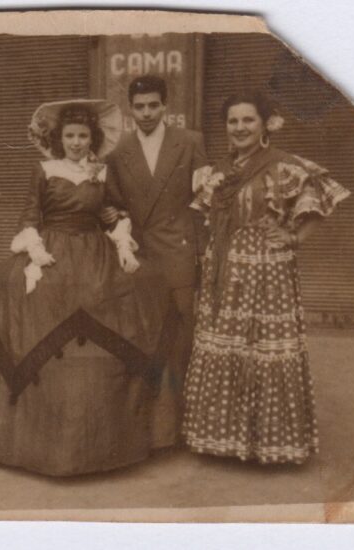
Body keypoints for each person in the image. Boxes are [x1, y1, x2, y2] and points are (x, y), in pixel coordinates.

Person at [0, 100, 171, 476]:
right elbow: (30, 214)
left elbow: (114, 211)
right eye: (70, 136)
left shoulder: (102, 171)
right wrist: (35, 249)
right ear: (59, 139)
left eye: (83, 136)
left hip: (95, 250)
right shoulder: (43, 169)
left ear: (92, 138)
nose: (77, 142)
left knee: (139, 290)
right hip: (53, 247)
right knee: (13, 292)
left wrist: (117, 222)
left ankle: (110, 435)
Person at [182, 91, 350, 464]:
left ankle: (270, 444)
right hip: (224, 271)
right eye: (233, 121)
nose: (240, 128)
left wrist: (293, 237)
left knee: (264, 348)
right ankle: (222, 441)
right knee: (228, 345)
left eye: (248, 120)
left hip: (266, 270)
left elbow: (320, 196)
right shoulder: (219, 173)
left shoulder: (281, 166)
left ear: (264, 124)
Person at [105, 75, 208, 450]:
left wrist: (202, 254)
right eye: (139, 106)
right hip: (139, 256)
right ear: (130, 110)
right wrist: (121, 231)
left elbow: (202, 203)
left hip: (179, 254)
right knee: (142, 338)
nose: (146, 113)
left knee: (181, 339)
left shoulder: (191, 141)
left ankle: (181, 429)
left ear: (166, 106)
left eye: (153, 105)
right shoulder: (118, 152)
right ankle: (144, 431)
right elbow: (112, 204)